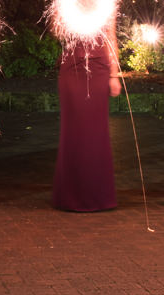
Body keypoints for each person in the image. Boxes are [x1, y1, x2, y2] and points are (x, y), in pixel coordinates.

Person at [52, 33, 121, 211]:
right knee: (74, 131)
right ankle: (71, 195)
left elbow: (111, 37)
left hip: (98, 67)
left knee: (96, 132)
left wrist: (114, 75)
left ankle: (98, 195)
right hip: (73, 66)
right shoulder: (67, 4)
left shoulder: (107, 4)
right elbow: (57, 30)